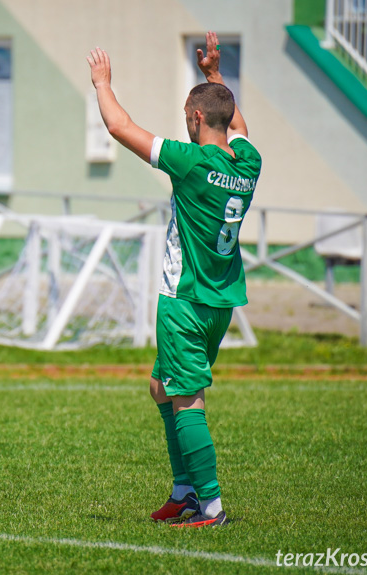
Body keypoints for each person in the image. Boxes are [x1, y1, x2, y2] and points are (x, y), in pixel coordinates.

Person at [87, 31, 261, 528]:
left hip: (184, 300)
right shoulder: (247, 162)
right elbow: (238, 123)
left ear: (197, 119)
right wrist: (213, 77)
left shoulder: (191, 163)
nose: (185, 121)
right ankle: (184, 492)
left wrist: (102, 83)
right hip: (220, 300)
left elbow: (120, 126)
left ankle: (210, 506)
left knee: (186, 397)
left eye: (189, 113)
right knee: (161, 387)